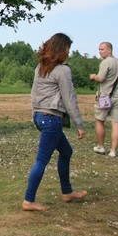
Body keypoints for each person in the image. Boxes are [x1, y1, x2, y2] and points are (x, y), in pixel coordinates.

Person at [23, 33, 88, 211]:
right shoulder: (62, 70)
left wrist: (34, 114)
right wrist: (79, 124)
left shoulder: (40, 67)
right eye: (68, 48)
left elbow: (33, 94)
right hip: (51, 119)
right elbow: (69, 99)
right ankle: (29, 200)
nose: (69, 52)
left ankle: (67, 192)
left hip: (41, 117)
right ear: (62, 49)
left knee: (66, 151)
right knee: (42, 160)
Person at [90, 42, 118, 158]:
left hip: (105, 96)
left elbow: (101, 78)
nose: (100, 51)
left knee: (99, 120)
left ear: (109, 50)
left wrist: (93, 76)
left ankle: (100, 146)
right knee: (116, 123)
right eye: (99, 49)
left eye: (102, 49)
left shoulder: (105, 62)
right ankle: (113, 151)